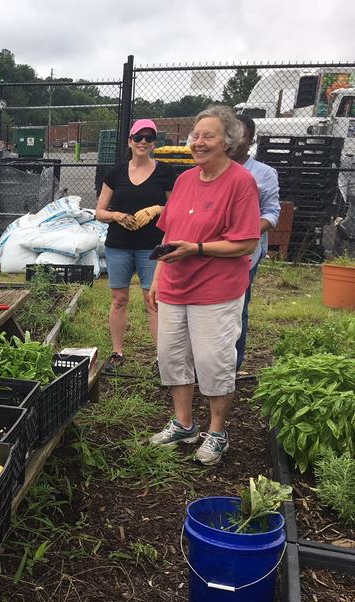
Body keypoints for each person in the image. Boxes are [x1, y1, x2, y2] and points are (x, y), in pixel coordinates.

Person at [146, 105, 261, 465]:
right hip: (175, 285)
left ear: (228, 141)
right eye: (195, 136)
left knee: (214, 362)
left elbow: (246, 242)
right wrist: (158, 280)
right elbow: (169, 235)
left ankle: (216, 432)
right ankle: (183, 424)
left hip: (216, 290)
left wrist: (196, 249)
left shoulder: (241, 181)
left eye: (208, 136)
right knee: (173, 356)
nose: (198, 142)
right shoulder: (184, 180)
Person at [95, 119, 177, 372]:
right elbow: (99, 211)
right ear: (130, 141)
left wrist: (156, 210)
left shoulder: (165, 172)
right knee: (119, 298)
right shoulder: (116, 173)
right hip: (119, 244)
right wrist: (117, 215)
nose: (143, 142)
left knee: (152, 299)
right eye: (138, 137)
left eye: (149, 138)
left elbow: (176, 211)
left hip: (151, 246)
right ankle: (117, 352)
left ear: (154, 143)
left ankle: (159, 357)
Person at [231, 113, 281, 371]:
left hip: (244, 253)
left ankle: (233, 363)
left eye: (240, 135)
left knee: (237, 306)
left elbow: (271, 213)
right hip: (207, 252)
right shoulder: (209, 168)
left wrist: (245, 231)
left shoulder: (264, 174)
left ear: (251, 140)